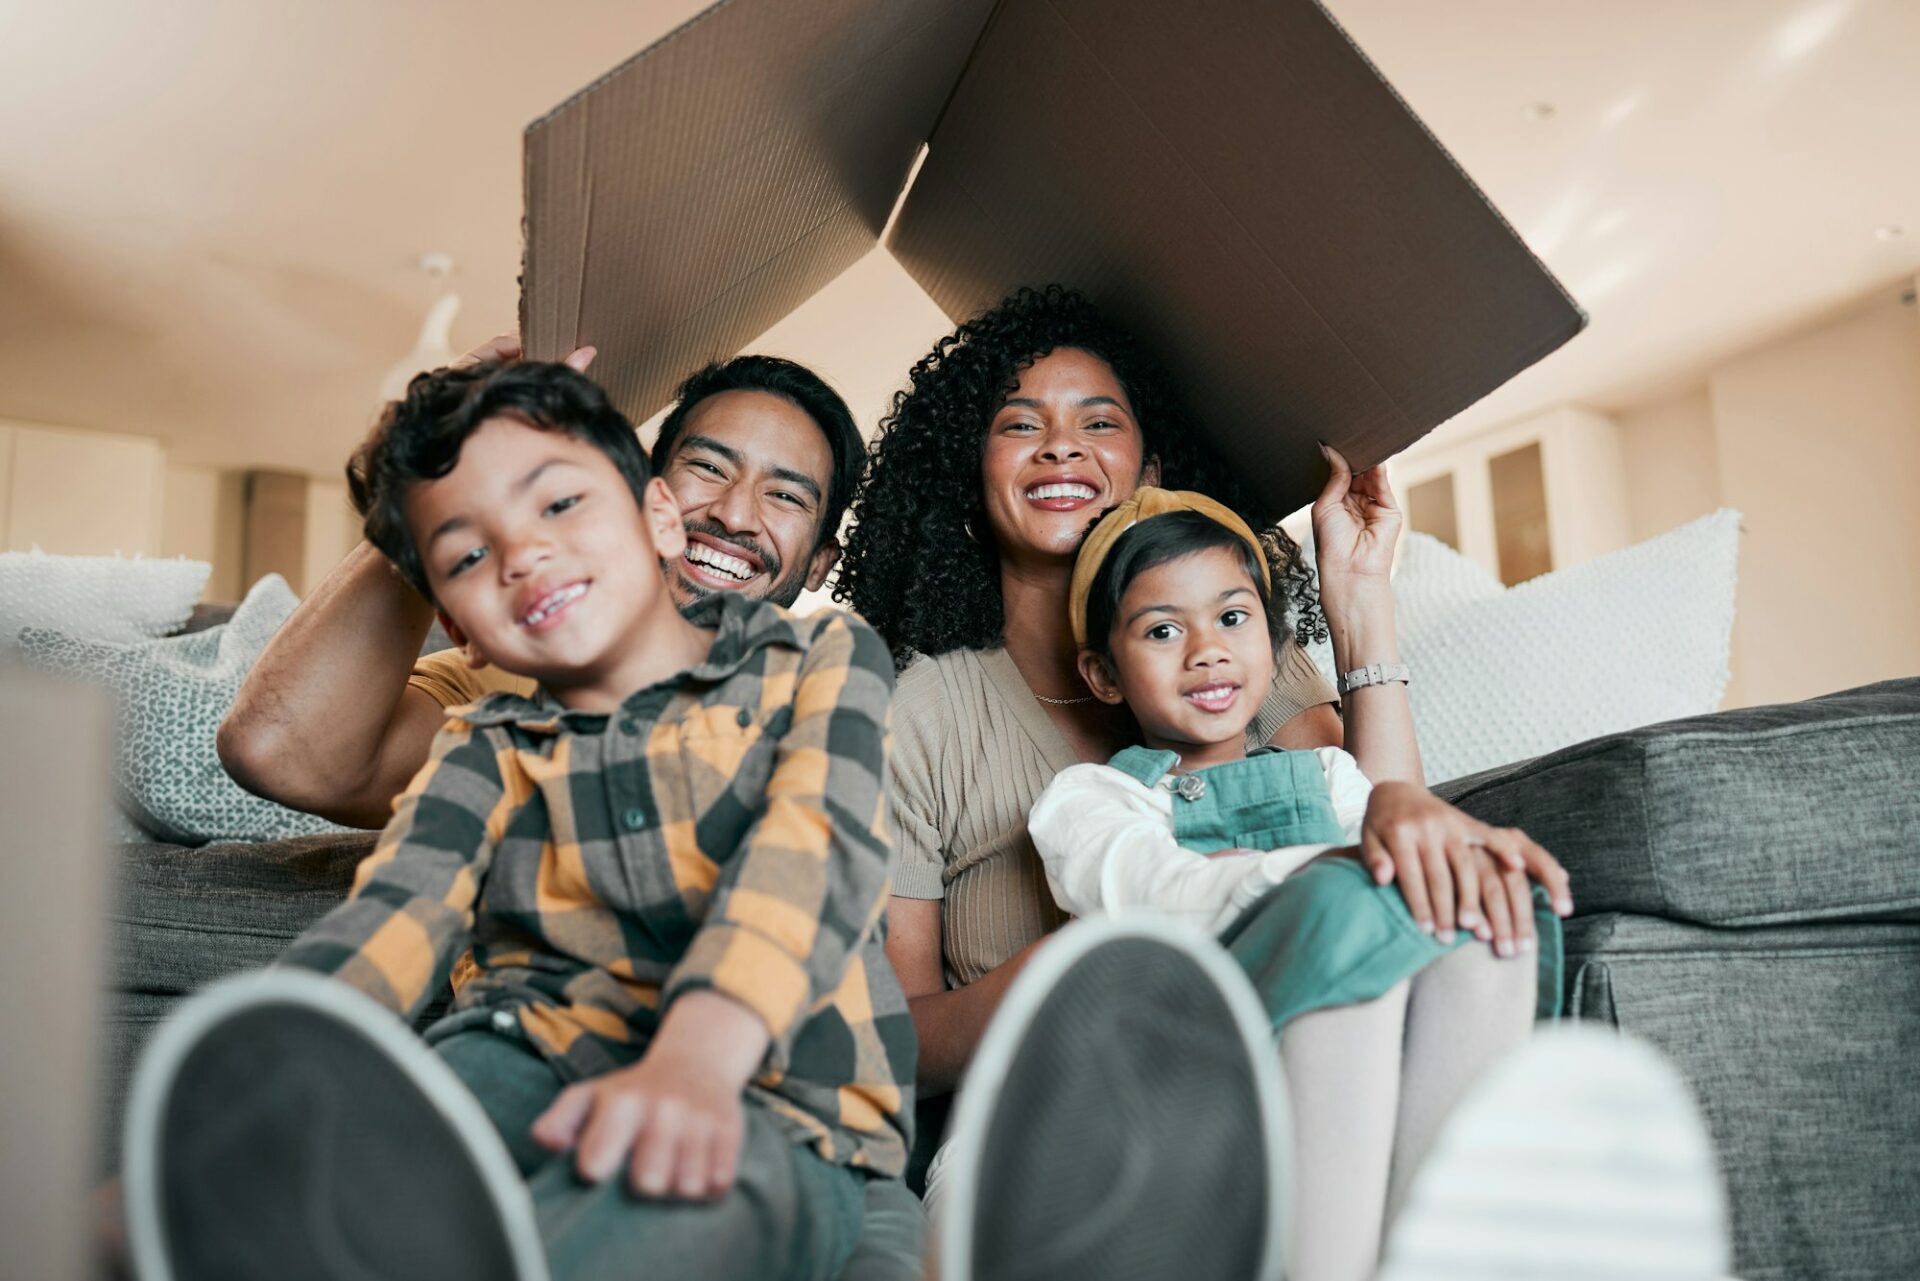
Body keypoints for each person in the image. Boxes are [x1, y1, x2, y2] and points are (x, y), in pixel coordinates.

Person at [125, 359, 912, 1280]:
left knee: (658, 1209)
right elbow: (386, 922)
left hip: (768, 1090)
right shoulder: (486, 729)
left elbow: (804, 856)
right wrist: (232, 1127)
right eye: (468, 556)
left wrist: (698, 1057)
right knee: (371, 1156)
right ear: (454, 619)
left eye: (784, 493)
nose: (736, 514)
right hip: (522, 1049)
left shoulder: (820, 659)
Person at [834, 287, 1554, 1151]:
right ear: (969, 469)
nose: (1062, 442)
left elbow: (1382, 847)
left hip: (1279, 1054)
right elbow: (892, 1041)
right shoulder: (919, 710)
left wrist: (1361, 599)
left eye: (1099, 422)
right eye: (1021, 425)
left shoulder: (1231, 652)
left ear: (1149, 473)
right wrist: (1065, 975)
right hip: (1064, 1109)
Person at [1012, 487, 1567, 1276]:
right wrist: (1344, 863)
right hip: (1183, 1065)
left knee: (1480, 911)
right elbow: (1161, 898)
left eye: (1233, 618)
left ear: (1274, 646)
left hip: (1351, 1050)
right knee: (1354, 906)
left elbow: (1409, 876)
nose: (1206, 649)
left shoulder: (1333, 776)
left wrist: (1452, 855)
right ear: (1103, 674)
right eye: (1164, 630)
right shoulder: (1093, 800)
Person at [218, 337, 865, 831]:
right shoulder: (501, 685)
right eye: (707, 466)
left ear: (819, 564)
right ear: (645, 492)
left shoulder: (844, 713)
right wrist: (441, 469)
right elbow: (275, 752)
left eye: (784, 495)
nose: (734, 513)